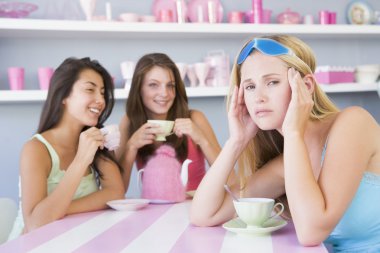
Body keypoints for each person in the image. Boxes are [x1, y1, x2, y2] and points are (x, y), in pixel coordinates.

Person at [190, 35, 380, 252]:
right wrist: (237, 141)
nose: (258, 97)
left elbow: (311, 232)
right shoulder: (287, 164)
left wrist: (292, 132)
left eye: (272, 82)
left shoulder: (353, 124)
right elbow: (203, 214)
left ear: (305, 86)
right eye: (250, 87)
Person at [8, 57, 125, 240]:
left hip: (74, 240)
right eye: (90, 89)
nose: (100, 100)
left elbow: (115, 193)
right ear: (63, 95)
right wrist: (80, 161)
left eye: (102, 92)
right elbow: (35, 223)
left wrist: (59, 210)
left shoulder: (94, 139)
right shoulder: (36, 149)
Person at [115, 53, 221, 192]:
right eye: (153, 85)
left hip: (196, 208)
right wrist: (131, 146)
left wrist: (202, 140)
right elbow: (116, 191)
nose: (164, 93)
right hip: (155, 210)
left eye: (170, 85)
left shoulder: (195, 118)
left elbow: (230, 179)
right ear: (138, 88)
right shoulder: (129, 122)